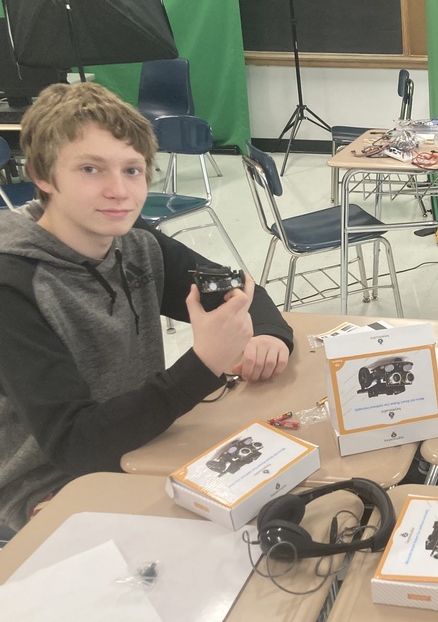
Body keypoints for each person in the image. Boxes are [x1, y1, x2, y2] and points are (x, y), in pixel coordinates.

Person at [0, 82, 293, 534]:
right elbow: (74, 444)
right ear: (42, 175)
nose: (119, 191)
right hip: (53, 483)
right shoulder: (14, 285)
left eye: (133, 170)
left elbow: (237, 287)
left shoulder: (137, 246)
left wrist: (271, 335)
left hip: (143, 440)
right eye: (91, 169)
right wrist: (203, 365)